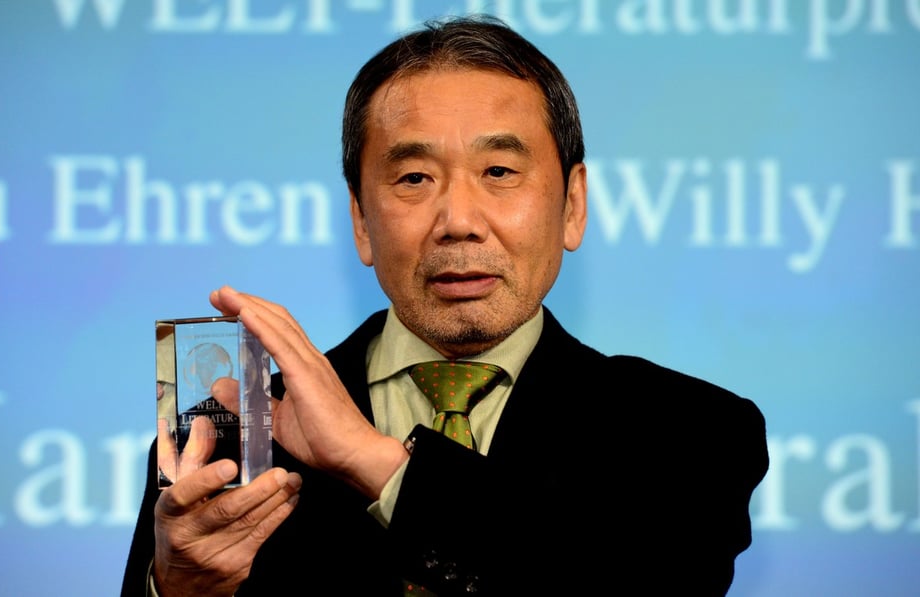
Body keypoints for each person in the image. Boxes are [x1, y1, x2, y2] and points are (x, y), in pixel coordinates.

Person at [122, 14, 769, 597]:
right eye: (414, 178)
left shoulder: (693, 431)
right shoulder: (227, 435)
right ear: (361, 221)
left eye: (499, 172)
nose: (458, 221)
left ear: (573, 205)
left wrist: (370, 459)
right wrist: (181, 589)